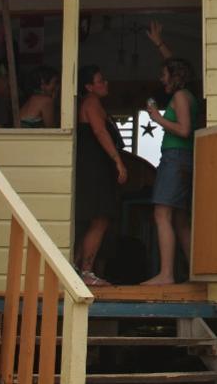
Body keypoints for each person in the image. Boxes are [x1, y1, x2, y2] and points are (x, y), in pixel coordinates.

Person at [142, 21, 199, 286]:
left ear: (174, 77)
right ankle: (195, 272)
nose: (161, 78)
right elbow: (174, 64)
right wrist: (159, 44)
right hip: (183, 159)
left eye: (164, 74)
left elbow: (184, 130)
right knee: (179, 219)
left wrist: (157, 118)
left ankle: (166, 274)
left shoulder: (179, 97)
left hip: (175, 158)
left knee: (161, 214)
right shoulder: (188, 94)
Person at [74, 65, 128, 286]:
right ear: (89, 87)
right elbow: (100, 131)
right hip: (94, 168)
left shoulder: (92, 102)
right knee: (99, 218)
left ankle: (78, 268)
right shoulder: (91, 102)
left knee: (95, 220)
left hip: (94, 167)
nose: (105, 83)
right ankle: (86, 272)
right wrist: (118, 161)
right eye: (100, 80)